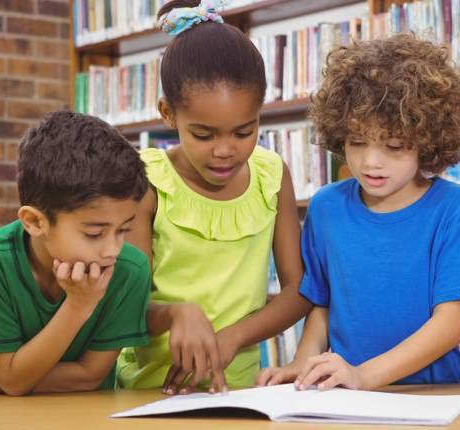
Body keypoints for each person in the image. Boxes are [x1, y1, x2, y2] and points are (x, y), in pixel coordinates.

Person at [256, 33, 460, 391]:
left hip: (434, 392)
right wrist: (304, 363)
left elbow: (450, 324)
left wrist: (365, 375)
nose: (371, 162)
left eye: (394, 145)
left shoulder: (454, 208)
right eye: (356, 142)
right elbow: (321, 306)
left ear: (427, 141)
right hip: (345, 394)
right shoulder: (326, 207)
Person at [117, 0, 311, 395]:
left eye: (244, 132)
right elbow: (120, 306)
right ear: (168, 114)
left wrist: (232, 337)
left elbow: (299, 291)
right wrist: (176, 314)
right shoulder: (146, 179)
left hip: (240, 391)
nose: (226, 150)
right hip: (148, 393)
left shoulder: (272, 176)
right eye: (204, 135)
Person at [0, 111, 151, 396]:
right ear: (35, 221)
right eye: (94, 233)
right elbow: (13, 381)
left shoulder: (130, 270)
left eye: (123, 229)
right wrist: (78, 305)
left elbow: (89, 378)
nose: (113, 249)